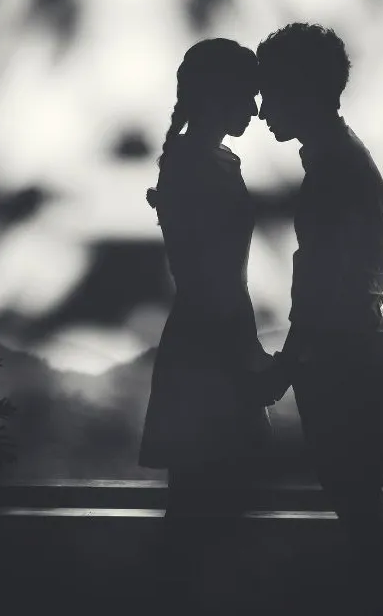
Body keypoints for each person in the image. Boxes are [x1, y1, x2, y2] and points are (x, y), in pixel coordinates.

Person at [256, 22, 383, 555]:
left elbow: (321, 289)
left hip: (345, 362)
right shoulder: (342, 159)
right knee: (361, 505)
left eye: (270, 94)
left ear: (300, 92)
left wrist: (284, 370)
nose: (264, 112)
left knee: (360, 512)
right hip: (358, 354)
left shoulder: (332, 171)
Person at [139, 38, 274, 517]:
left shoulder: (200, 160)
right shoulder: (198, 165)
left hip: (210, 339)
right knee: (212, 506)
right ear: (220, 93)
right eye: (249, 94)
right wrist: (249, 357)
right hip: (212, 345)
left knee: (208, 505)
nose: (257, 111)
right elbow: (211, 279)